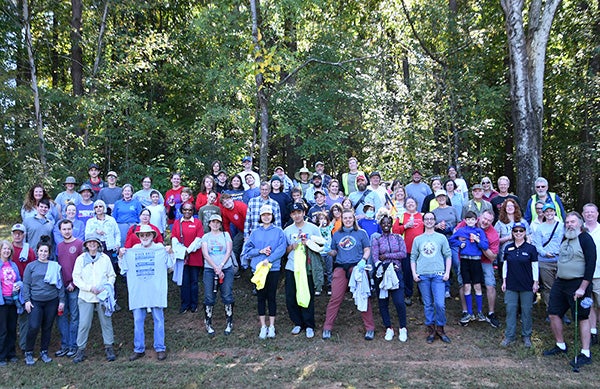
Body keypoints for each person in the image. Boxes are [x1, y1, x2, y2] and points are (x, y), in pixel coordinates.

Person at [543, 212, 597, 370]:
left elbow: (590, 265)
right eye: (567, 222)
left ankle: (585, 353)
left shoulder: (586, 240)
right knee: (553, 313)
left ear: (580, 223)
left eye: (573, 222)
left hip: (579, 284)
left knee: (582, 317)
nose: (569, 224)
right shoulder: (565, 238)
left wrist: (582, 288)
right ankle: (560, 345)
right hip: (561, 283)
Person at [118, 225, 173, 361]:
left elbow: (170, 265)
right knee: (137, 320)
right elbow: (123, 268)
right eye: (142, 235)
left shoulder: (160, 248)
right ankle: (139, 348)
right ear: (139, 237)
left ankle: (160, 348)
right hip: (139, 291)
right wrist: (121, 256)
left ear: (153, 236)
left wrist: (170, 252)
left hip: (155, 290)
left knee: (158, 319)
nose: (145, 237)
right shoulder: (134, 250)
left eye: (147, 235)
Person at [322, 209, 375, 341]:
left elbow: (367, 249)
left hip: (357, 267)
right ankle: (327, 327)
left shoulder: (361, 233)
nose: (347, 220)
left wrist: (363, 260)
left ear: (354, 218)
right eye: (345, 218)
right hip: (340, 267)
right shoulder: (337, 234)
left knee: (363, 296)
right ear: (342, 219)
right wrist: (328, 251)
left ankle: (370, 328)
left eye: (350, 217)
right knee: (335, 298)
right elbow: (334, 252)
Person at [242, 204, 287, 339]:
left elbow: (282, 248)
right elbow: (247, 251)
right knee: (261, 297)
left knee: (271, 297)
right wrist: (260, 251)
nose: (266, 217)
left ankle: (272, 326)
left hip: (272, 269)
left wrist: (270, 259)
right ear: (260, 217)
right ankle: (263, 326)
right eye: (264, 215)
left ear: (272, 216)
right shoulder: (255, 232)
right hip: (259, 269)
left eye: (268, 214)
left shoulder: (279, 231)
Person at [71, 235, 117, 363]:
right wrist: (89, 288)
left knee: (106, 322)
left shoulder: (105, 258)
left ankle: (109, 347)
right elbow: (76, 278)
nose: (92, 244)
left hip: (102, 296)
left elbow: (111, 275)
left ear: (98, 245)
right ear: (86, 245)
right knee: (84, 323)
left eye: (94, 242)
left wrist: (106, 287)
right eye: (89, 243)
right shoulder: (80, 259)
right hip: (86, 295)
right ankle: (80, 349)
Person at [411, 212, 452, 343]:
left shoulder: (441, 238)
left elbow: (448, 255)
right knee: (428, 304)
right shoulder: (418, 239)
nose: (429, 221)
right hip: (423, 275)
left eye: (431, 219)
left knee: (440, 304)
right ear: (423, 222)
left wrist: (447, 272)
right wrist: (414, 273)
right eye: (426, 219)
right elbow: (413, 258)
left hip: (438, 275)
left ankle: (440, 327)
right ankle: (431, 329)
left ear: (435, 221)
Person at [22, 239, 65, 365]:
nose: (43, 253)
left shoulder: (54, 266)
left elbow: (60, 284)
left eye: (46, 251)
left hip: (51, 301)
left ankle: (44, 351)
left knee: (47, 327)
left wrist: (62, 300)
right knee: (34, 326)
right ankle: (29, 352)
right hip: (35, 301)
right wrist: (27, 300)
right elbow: (26, 284)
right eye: (41, 251)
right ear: (37, 252)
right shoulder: (31, 266)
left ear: (49, 253)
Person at [456, 210, 501, 328]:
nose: (485, 222)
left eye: (489, 220)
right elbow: (456, 232)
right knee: (463, 284)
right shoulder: (469, 222)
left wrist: (479, 244)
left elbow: (492, 256)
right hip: (466, 258)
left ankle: (491, 313)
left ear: (492, 222)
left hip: (484, 260)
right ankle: (465, 312)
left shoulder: (493, 234)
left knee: (490, 284)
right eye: (484, 218)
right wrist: (461, 239)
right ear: (479, 217)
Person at [284, 203, 321, 338]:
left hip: (307, 267)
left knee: (307, 295)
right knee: (291, 296)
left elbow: (321, 246)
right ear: (291, 215)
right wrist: (292, 246)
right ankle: (297, 322)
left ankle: (309, 324)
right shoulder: (287, 230)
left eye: (299, 212)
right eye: (294, 213)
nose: (297, 215)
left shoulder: (313, 228)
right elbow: (284, 250)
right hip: (292, 267)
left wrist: (309, 243)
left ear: (304, 213)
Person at [501, 222, 539, 347]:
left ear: (525, 232)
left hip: (527, 285)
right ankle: (509, 336)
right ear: (512, 232)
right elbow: (505, 265)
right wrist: (504, 281)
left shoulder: (531, 249)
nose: (518, 233)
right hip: (511, 284)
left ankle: (526, 335)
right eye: (516, 231)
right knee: (510, 310)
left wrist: (535, 282)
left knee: (526, 311)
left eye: (521, 231)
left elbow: (535, 266)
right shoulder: (508, 248)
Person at [371, 212, 408, 342]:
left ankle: (403, 328)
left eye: (388, 223)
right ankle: (388, 328)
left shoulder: (398, 238)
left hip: (396, 272)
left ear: (391, 224)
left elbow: (403, 253)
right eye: (383, 223)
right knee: (383, 302)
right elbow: (375, 257)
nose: (386, 225)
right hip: (382, 273)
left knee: (399, 301)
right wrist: (381, 264)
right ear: (380, 225)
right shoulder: (377, 239)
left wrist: (387, 256)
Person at [451, 211, 489, 324]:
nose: (470, 221)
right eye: (468, 219)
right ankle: (469, 313)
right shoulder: (462, 230)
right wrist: (459, 243)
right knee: (466, 286)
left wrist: (477, 240)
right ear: (465, 220)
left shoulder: (479, 231)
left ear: (476, 220)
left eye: (472, 219)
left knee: (477, 286)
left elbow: (485, 245)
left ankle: (480, 312)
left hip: (476, 261)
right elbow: (451, 240)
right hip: (464, 260)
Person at [54, 220, 83, 358]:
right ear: (60, 231)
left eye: (68, 229)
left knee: (75, 316)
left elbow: (83, 267)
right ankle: (65, 345)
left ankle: (74, 345)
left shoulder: (79, 244)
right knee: (62, 316)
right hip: (61, 287)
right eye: (64, 229)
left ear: (73, 229)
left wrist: (74, 283)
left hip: (74, 287)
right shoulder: (59, 246)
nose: (66, 231)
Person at [200, 215, 234, 336]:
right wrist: (215, 267)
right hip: (210, 269)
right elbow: (205, 254)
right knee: (209, 296)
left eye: (217, 222)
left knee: (227, 294)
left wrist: (221, 266)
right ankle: (208, 322)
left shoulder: (226, 235)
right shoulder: (205, 237)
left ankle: (229, 322)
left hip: (226, 268)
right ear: (209, 224)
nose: (215, 224)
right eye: (213, 222)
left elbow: (229, 251)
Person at [171, 203, 204, 314]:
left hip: (194, 256)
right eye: (185, 209)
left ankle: (194, 304)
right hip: (182, 258)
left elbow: (199, 239)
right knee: (184, 281)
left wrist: (188, 251)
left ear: (192, 211)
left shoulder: (197, 223)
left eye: (190, 210)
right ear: (182, 210)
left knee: (194, 281)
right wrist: (182, 252)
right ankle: (185, 304)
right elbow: (174, 239)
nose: (187, 212)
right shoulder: (177, 223)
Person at [392, 197, 423, 306]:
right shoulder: (402, 216)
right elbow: (395, 231)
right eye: (408, 203)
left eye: (412, 202)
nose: (410, 204)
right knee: (407, 272)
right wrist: (405, 226)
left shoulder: (422, 216)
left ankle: (422, 295)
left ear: (416, 204)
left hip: (421, 250)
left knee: (421, 272)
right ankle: (408, 294)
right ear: (405, 205)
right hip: (406, 249)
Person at [532, 203, 564, 310]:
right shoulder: (540, 228)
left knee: (560, 286)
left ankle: (561, 310)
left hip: (560, 260)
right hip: (545, 261)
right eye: (547, 211)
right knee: (548, 287)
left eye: (551, 211)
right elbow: (537, 245)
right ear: (544, 213)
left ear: (555, 212)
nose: (549, 213)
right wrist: (545, 253)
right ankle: (551, 309)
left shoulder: (561, 226)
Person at [10, 224, 35, 353]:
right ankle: (9, 345)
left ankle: (24, 345)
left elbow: (33, 267)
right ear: (12, 234)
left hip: (25, 286)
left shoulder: (28, 250)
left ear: (24, 234)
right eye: (15, 233)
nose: (17, 235)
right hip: (8, 286)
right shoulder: (8, 249)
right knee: (9, 316)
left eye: (20, 233)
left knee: (24, 316)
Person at [0, 241, 21, 365]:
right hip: (2, 302)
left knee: (12, 329)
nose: (6, 251)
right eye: (4, 248)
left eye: (9, 249)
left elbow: (18, 280)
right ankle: (1, 356)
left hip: (13, 301)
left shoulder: (13, 265)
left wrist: (18, 286)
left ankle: (11, 354)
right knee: (2, 330)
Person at [582, 203, 600, 345]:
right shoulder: (579, 230)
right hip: (584, 274)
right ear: (583, 214)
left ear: (597, 214)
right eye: (586, 212)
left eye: (592, 212)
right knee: (589, 304)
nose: (589, 214)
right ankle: (593, 332)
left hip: (599, 274)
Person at [494, 199, 529, 265]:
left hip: (521, 255)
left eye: (512, 206)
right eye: (507, 206)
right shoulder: (499, 223)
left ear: (515, 207)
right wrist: (508, 238)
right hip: (505, 255)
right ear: (504, 208)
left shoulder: (523, 222)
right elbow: (495, 241)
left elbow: (528, 238)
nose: (510, 208)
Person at [219, 194, 247, 272]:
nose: (227, 203)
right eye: (224, 203)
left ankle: (247, 267)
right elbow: (226, 224)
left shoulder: (240, 206)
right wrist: (228, 238)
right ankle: (236, 267)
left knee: (248, 248)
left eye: (228, 200)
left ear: (231, 199)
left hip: (251, 230)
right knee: (234, 247)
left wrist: (247, 235)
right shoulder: (225, 211)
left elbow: (249, 220)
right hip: (241, 231)